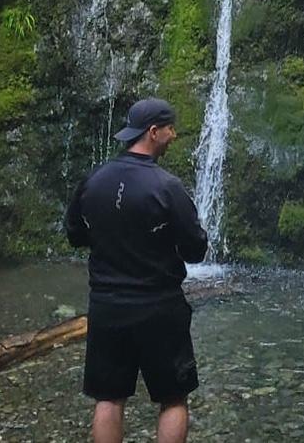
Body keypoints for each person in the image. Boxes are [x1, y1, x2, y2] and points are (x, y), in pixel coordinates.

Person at [65, 98, 209, 443]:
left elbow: (75, 235)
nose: (174, 135)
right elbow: (196, 250)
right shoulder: (167, 187)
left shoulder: (94, 180)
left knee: (108, 398)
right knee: (173, 398)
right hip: (159, 307)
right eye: (170, 128)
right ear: (153, 132)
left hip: (107, 306)